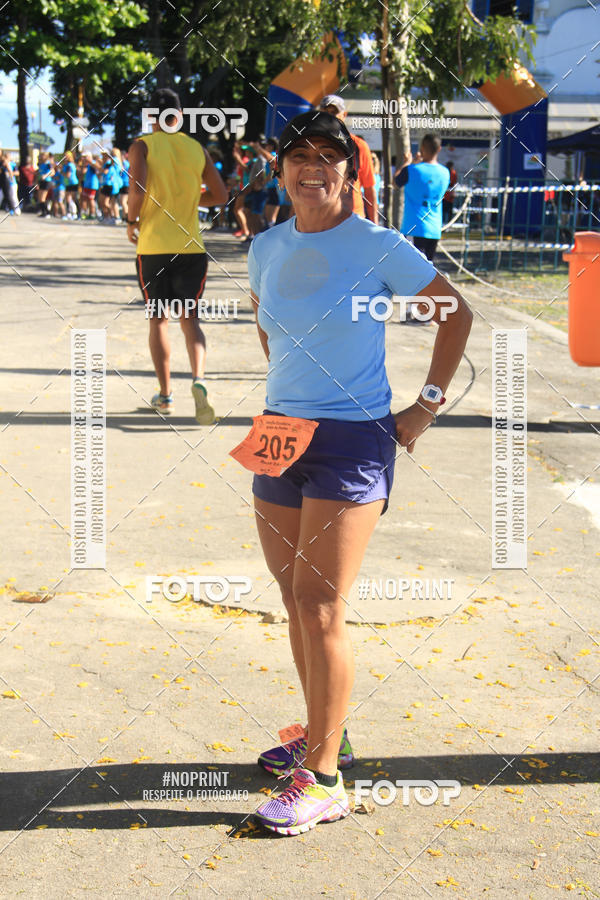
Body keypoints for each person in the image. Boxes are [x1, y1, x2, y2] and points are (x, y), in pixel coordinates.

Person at [246, 110, 472, 835]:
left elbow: (454, 313)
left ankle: (323, 781)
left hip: (352, 439)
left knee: (320, 603)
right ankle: (325, 734)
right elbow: (266, 324)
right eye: (299, 155)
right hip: (278, 431)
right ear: (281, 168)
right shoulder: (265, 245)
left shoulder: (379, 245)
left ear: (349, 170)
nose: (312, 168)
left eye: (328, 156)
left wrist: (425, 407)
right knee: (293, 598)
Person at [127, 87, 228, 423]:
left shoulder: (142, 146)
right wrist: (190, 201)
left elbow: (137, 189)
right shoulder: (196, 148)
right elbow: (220, 195)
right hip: (191, 249)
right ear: (180, 116)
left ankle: (166, 395)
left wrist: (131, 221)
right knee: (190, 320)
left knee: (158, 319)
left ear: (151, 117)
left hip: (154, 247)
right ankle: (199, 379)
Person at [318, 94, 378, 224]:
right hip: (320, 220)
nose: (330, 117)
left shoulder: (359, 146)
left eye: (334, 112)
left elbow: (369, 189)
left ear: (344, 115)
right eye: (325, 112)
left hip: (353, 220)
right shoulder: (311, 145)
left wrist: (375, 227)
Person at [394, 133, 450, 262]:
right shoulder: (445, 172)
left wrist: (407, 163)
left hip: (414, 227)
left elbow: (395, 182)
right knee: (428, 268)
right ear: (439, 149)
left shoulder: (411, 170)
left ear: (422, 148)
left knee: (410, 267)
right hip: (434, 229)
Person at [80, 154, 100, 219]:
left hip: (92, 185)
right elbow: (83, 172)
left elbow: (98, 168)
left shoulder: (93, 163)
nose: (84, 159)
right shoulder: (87, 165)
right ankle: (85, 213)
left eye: (85, 157)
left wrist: (90, 162)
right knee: (84, 199)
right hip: (86, 184)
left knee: (91, 199)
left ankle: (92, 214)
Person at [62, 151, 79, 219]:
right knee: (67, 199)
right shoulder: (66, 165)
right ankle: (69, 213)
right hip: (68, 183)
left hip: (73, 183)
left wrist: (61, 172)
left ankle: (77, 213)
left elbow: (68, 175)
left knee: (74, 198)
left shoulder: (70, 165)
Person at [36, 152, 54, 216]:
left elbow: (52, 172)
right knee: (40, 198)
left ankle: (47, 212)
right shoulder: (40, 164)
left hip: (47, 181)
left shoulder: (48, 164)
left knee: (42, 198)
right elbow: (39, 173)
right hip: (41, 182)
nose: (41, 157)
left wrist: (45, 176)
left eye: (42, 156)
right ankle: (43, 212)